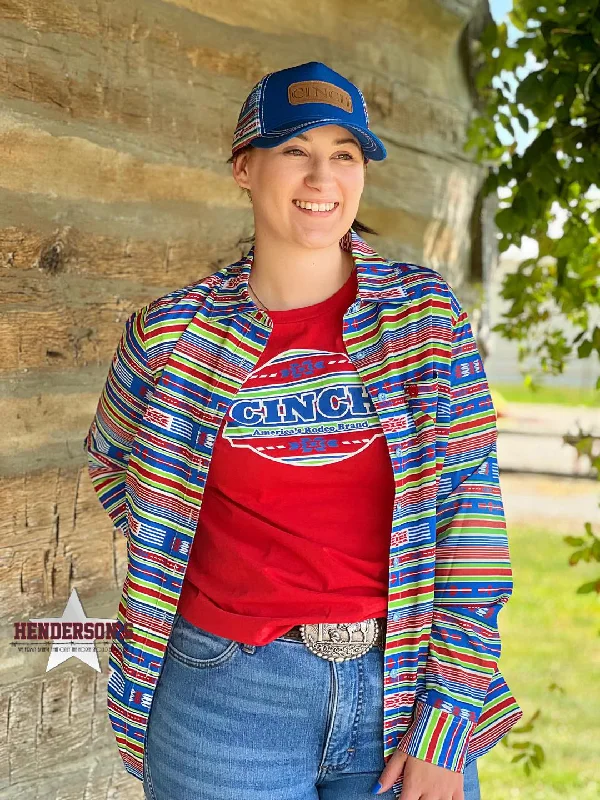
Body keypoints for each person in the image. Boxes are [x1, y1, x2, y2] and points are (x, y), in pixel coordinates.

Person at [85, 61, 523, 800]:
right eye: (294, 149)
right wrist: (206, 556)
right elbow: (113, 462)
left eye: (344, 155)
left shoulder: (424, 318)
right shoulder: (171, 333)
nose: (322, 176)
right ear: (244, 168)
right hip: (222, 697)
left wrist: (447, 722)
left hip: (402, 688)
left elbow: (469, 515)